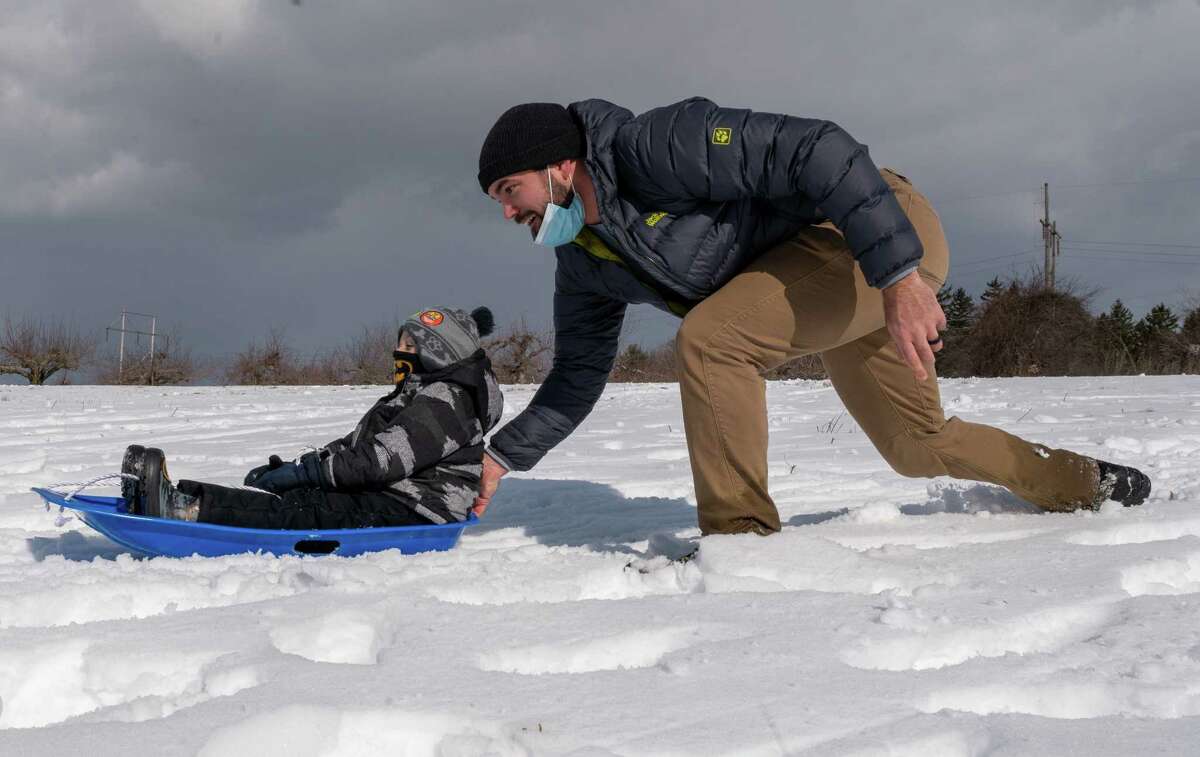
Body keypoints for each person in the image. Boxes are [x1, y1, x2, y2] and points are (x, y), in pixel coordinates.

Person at [472, 99, 1150, 535]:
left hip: (876, 229)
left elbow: (817, 148)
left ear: (561, 165)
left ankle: (741, 541)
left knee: (713, 339)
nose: (507, 211)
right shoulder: (586, 263)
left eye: (511, 189)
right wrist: (504, 454)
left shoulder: (655, 147)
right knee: (919, 445)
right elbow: (577, 377)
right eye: (497, 200)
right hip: (817, 273)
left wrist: (899, 273)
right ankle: (1084, 481)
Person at [120, 306, 503, 529]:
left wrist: (308, 475)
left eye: (407, 347)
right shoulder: (416, 395)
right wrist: (300, 469)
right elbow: (358, 448)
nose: (396, 353)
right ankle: (178, 496)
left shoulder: (449, 402)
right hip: (392, 495)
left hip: (419, 511)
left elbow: (379, 460)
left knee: (307, 510)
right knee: (303, 497)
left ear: (435, 354)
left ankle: (185, 510)